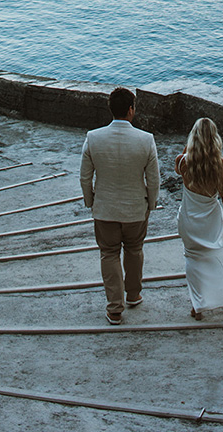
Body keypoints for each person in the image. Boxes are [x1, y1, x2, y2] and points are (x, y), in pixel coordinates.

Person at [79, 86, 160, 324]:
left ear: (110, 109)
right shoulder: (146, 140)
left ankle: (115, 307)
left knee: (108, 253)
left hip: (105, 208)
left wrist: (90, 200)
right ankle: (133, 295)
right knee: (134, 250)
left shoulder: (93, 138)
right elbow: (153, 179)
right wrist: (151, 203)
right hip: (135, 208)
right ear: (131, 110)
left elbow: (85, 176)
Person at [175, 116, 223, 320]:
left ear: (192, 138)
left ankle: (197, 304)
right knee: (211, 256)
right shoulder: (219, 164)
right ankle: (213, 295)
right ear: (215, 138)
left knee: (192, 257)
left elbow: (180, 166)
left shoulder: (182, 162)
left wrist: (190, 146)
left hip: (189, 219)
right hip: (210, 220)